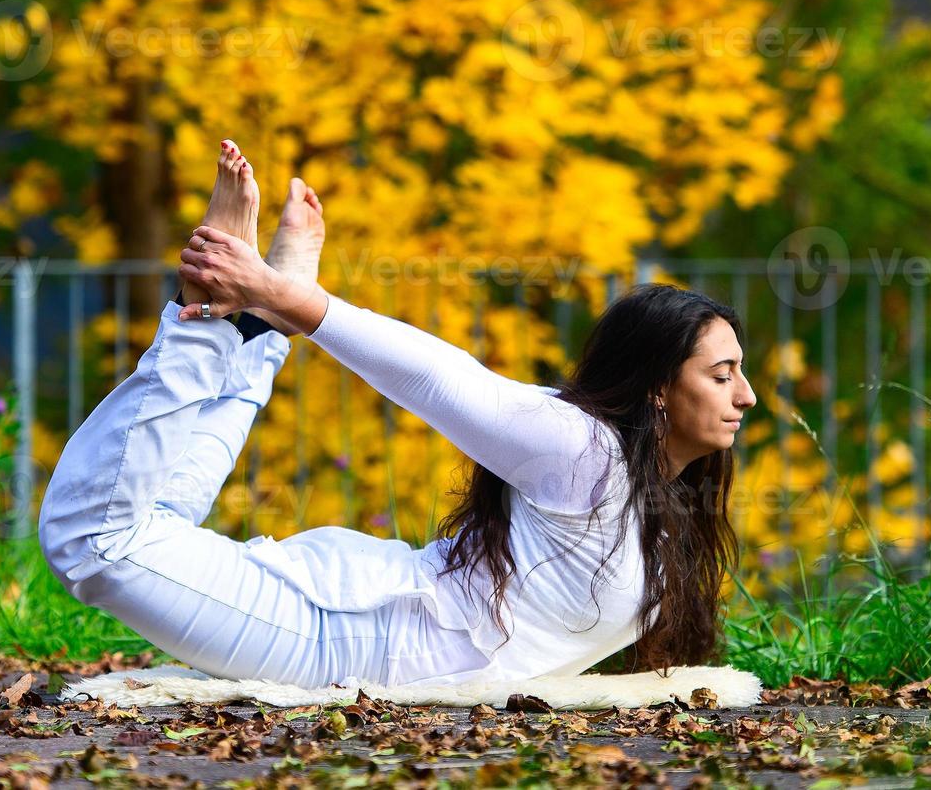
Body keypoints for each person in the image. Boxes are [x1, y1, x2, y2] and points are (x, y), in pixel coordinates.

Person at [38, 140, 758, 688]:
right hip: (329, 638)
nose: (746, 395)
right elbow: (441, 379)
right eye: (723, 374)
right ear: (660, 388)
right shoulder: (586, 452)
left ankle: (252, 327)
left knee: (148, 518)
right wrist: (299, 302)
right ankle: (223, 315)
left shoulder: (670, 498)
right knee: (94, 540)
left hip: (355, 634)